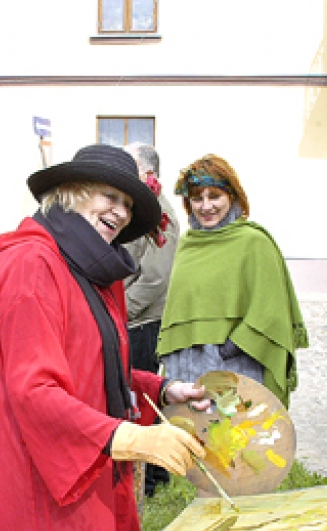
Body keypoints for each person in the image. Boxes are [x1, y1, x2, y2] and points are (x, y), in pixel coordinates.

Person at [0, 144, 209, 531]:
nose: (120, 213)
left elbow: (98, 365)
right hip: (49, 479)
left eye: (129, 205)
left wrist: (163, 390)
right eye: (110, 197)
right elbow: (36, 391)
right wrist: (134, 439)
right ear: (71, 192)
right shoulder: (32, 266)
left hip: (79, 467)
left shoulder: (85, 267)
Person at [157, 154, 308, 408]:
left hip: (235, 368)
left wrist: (230, 348)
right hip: (185, 369)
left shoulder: (254, 242)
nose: (206, 206)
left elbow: (270, 310)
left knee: (234, 432)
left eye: (214, 196)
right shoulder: (187, 244)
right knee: (187, 431)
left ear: (232, 196)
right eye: (197, 198)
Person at [122, 142, 182, 496]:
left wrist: (120, 310)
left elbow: (156, 277)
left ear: (148, 172)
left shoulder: (159, 211)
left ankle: (152, 476)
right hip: (133, 319)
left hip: (142, 321)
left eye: (128, 166)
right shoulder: (137, 204)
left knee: (144, 398)